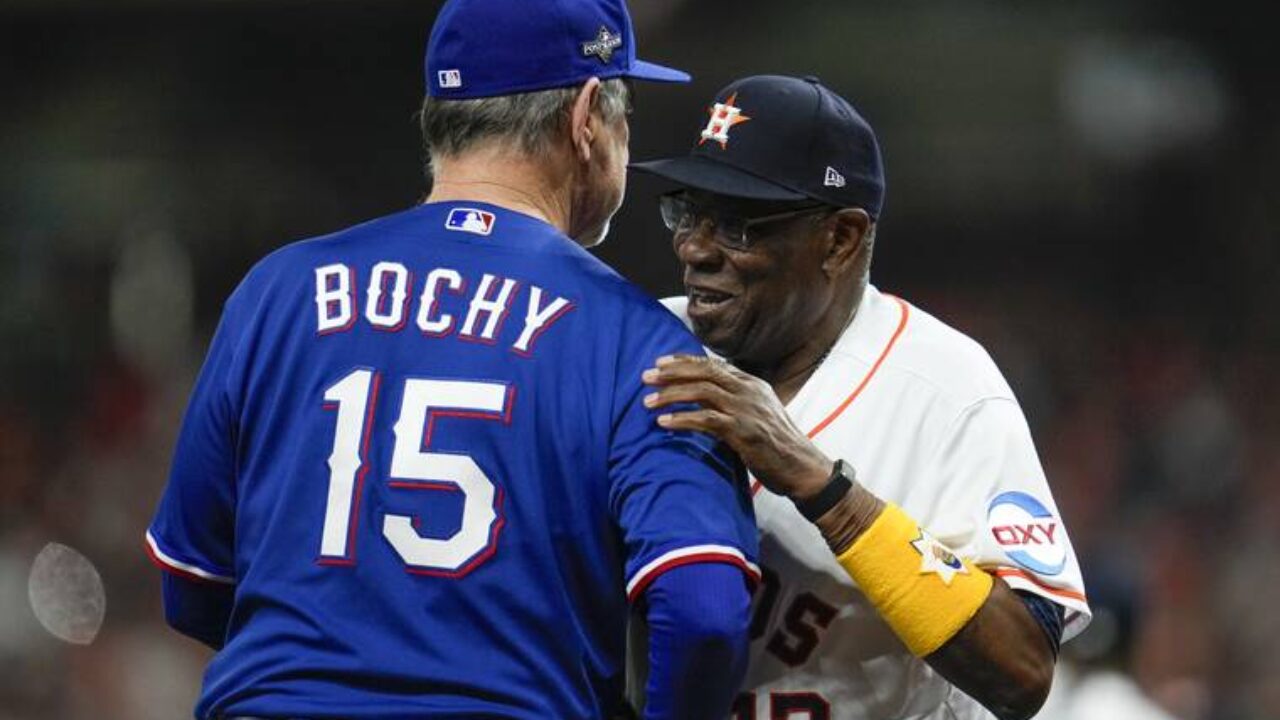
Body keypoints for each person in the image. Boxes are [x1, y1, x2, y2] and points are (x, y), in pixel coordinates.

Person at [142, 2, 760, 718]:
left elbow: (191, 583)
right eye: (625, 112)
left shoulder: (277, 293)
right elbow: (704, 612)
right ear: (587, 117)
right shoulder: (637, 341)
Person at [632, 74, 1091, 720]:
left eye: (736, 225)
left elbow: (1022, 670)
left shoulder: (946, 388)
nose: (694, 248)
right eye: (689, 212)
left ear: (841, 239)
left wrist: (829, 494)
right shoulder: (638, 347)